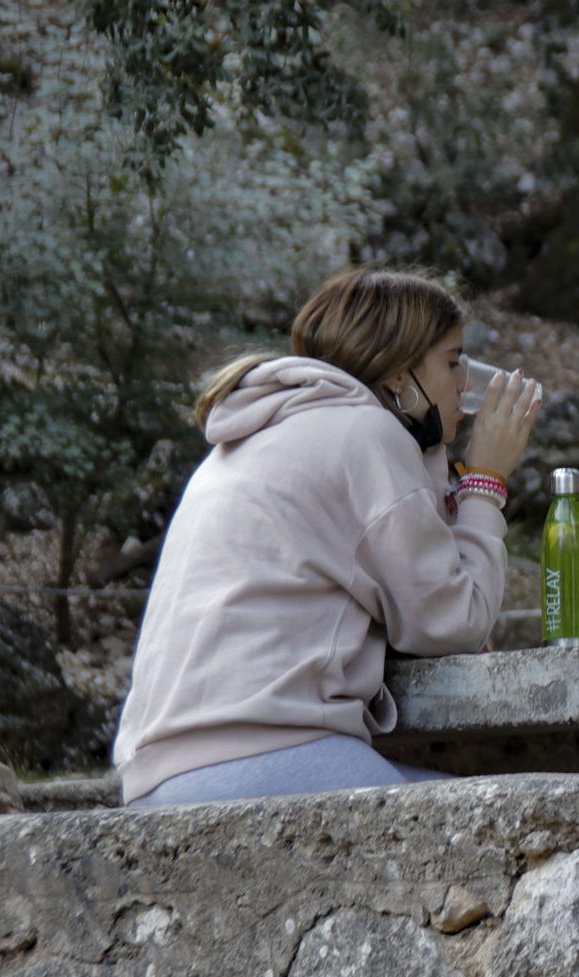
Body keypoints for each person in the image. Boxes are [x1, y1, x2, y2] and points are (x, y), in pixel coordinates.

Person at [113, 267, 544, 806]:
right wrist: (485, 481)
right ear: (397, 375)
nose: (465, 383)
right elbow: (453, 623)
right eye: (452, 361)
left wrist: (432, 451)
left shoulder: (265, 433)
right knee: (512, 821)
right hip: (267, 753)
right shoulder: (366, 434)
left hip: (159, 775)